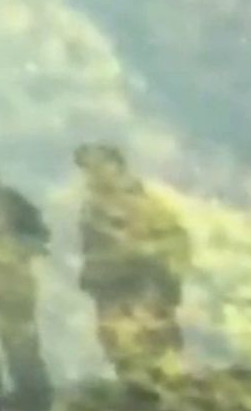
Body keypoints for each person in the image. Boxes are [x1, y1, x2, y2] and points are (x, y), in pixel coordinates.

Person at [73, 146, 189, 387]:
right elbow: (90, 250)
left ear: (116, 167)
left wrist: (148, 257)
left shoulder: (148, 206)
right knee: (120, 348)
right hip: (110, 291)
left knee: (152, 347)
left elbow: (176, 243)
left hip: (145, 292)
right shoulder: (90, 209)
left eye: (98, 166)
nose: (92, 174)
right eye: (87, 169)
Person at [0, 159, 53, 411]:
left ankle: (34, 402)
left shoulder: (11, 201)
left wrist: (17, 250)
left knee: (20, 343)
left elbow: (40, 236)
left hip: (11, 283)